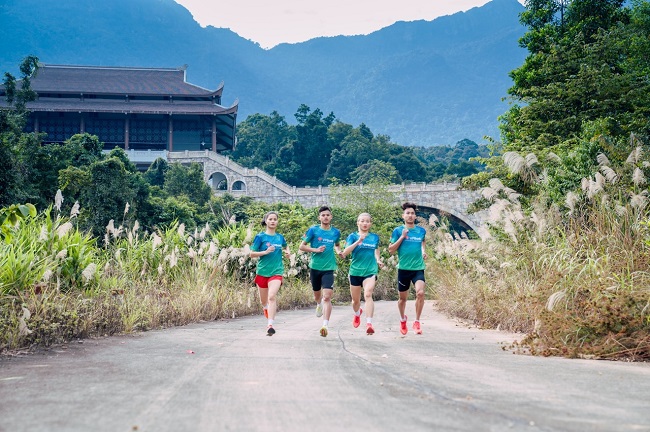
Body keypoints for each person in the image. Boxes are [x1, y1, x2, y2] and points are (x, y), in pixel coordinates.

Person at [299, 205, 342, 337]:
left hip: (329, 268)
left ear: (331, 217)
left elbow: (337, 245)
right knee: (318, 296)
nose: (325, 217)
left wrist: (339, 252)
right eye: (323, 215)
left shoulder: (336, 232)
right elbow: (302, 247)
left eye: (328, 215)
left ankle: (325, 325)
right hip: (315, 267)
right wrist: (316, 250)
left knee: (327, 296)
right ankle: (318, 304)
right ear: (319, 217)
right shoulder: (313, 230)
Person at [388, 202, 428, 335]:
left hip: (418, 268)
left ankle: (417, 321)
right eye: (407, 213)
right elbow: (391, 250)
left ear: (415, 216)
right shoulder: (398, 230)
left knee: (420, 293)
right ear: (403, 216)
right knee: (402, 299)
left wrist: (423, 251)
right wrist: (402, 237)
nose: (410, 215)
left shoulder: (421, 231)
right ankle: (402, 319)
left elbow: (422, 242)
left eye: (412, 213)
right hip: (404, 269)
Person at [341, 212, 383, 335]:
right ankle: (357, 313)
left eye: (367, 221)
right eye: (362, 221)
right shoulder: (352, 236)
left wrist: (378, 259)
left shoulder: (374, 237)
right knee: (355, 301)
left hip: (370, 271)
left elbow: (376, 250)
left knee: (368, 294)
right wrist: (358, 240)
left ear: (370, 223)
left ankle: (369, 323)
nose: (365, 223)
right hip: (355, 271)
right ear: (358, 222)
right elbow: (345, 252)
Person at [249, 211, 291, 336]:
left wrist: (288, 252)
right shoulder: (260, 237)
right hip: (262, 272)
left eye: (275, 219)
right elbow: (251, 254)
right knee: (264, 301)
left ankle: (270, 325)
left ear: (277, 222)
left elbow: (286, 246)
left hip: (276, 271)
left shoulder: (280, 237)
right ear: (266, 221)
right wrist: (265, 252)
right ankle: (265, 309)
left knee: (272, 297)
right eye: (270, 219)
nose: (273, 221)